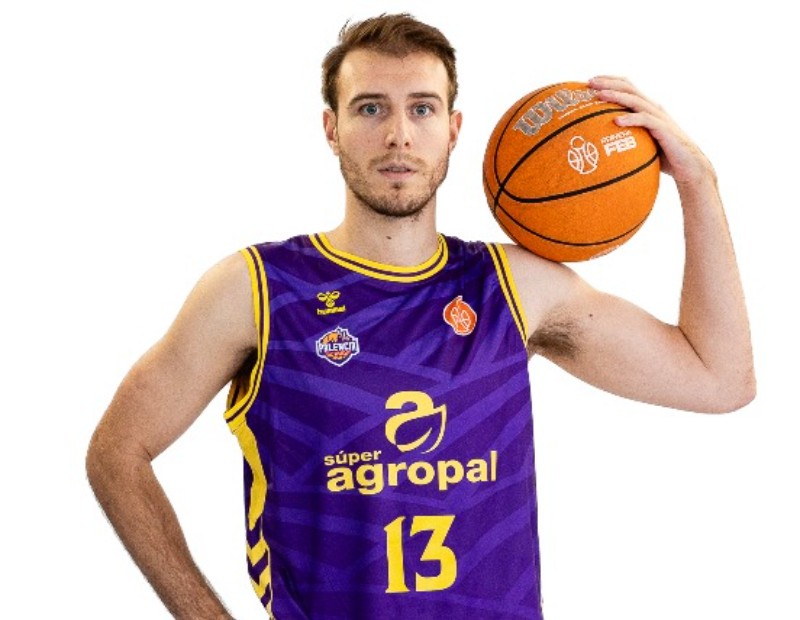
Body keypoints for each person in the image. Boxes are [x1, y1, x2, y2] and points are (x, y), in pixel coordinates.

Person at [86, 13, 755, 620]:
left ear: (453, 130)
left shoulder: (514, 287)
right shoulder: (256, 289)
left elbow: (719, 378)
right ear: (331, 127)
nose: (399, 134)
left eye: (422, 108)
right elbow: (118, 453)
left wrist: (700, 184)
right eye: (370, 107)